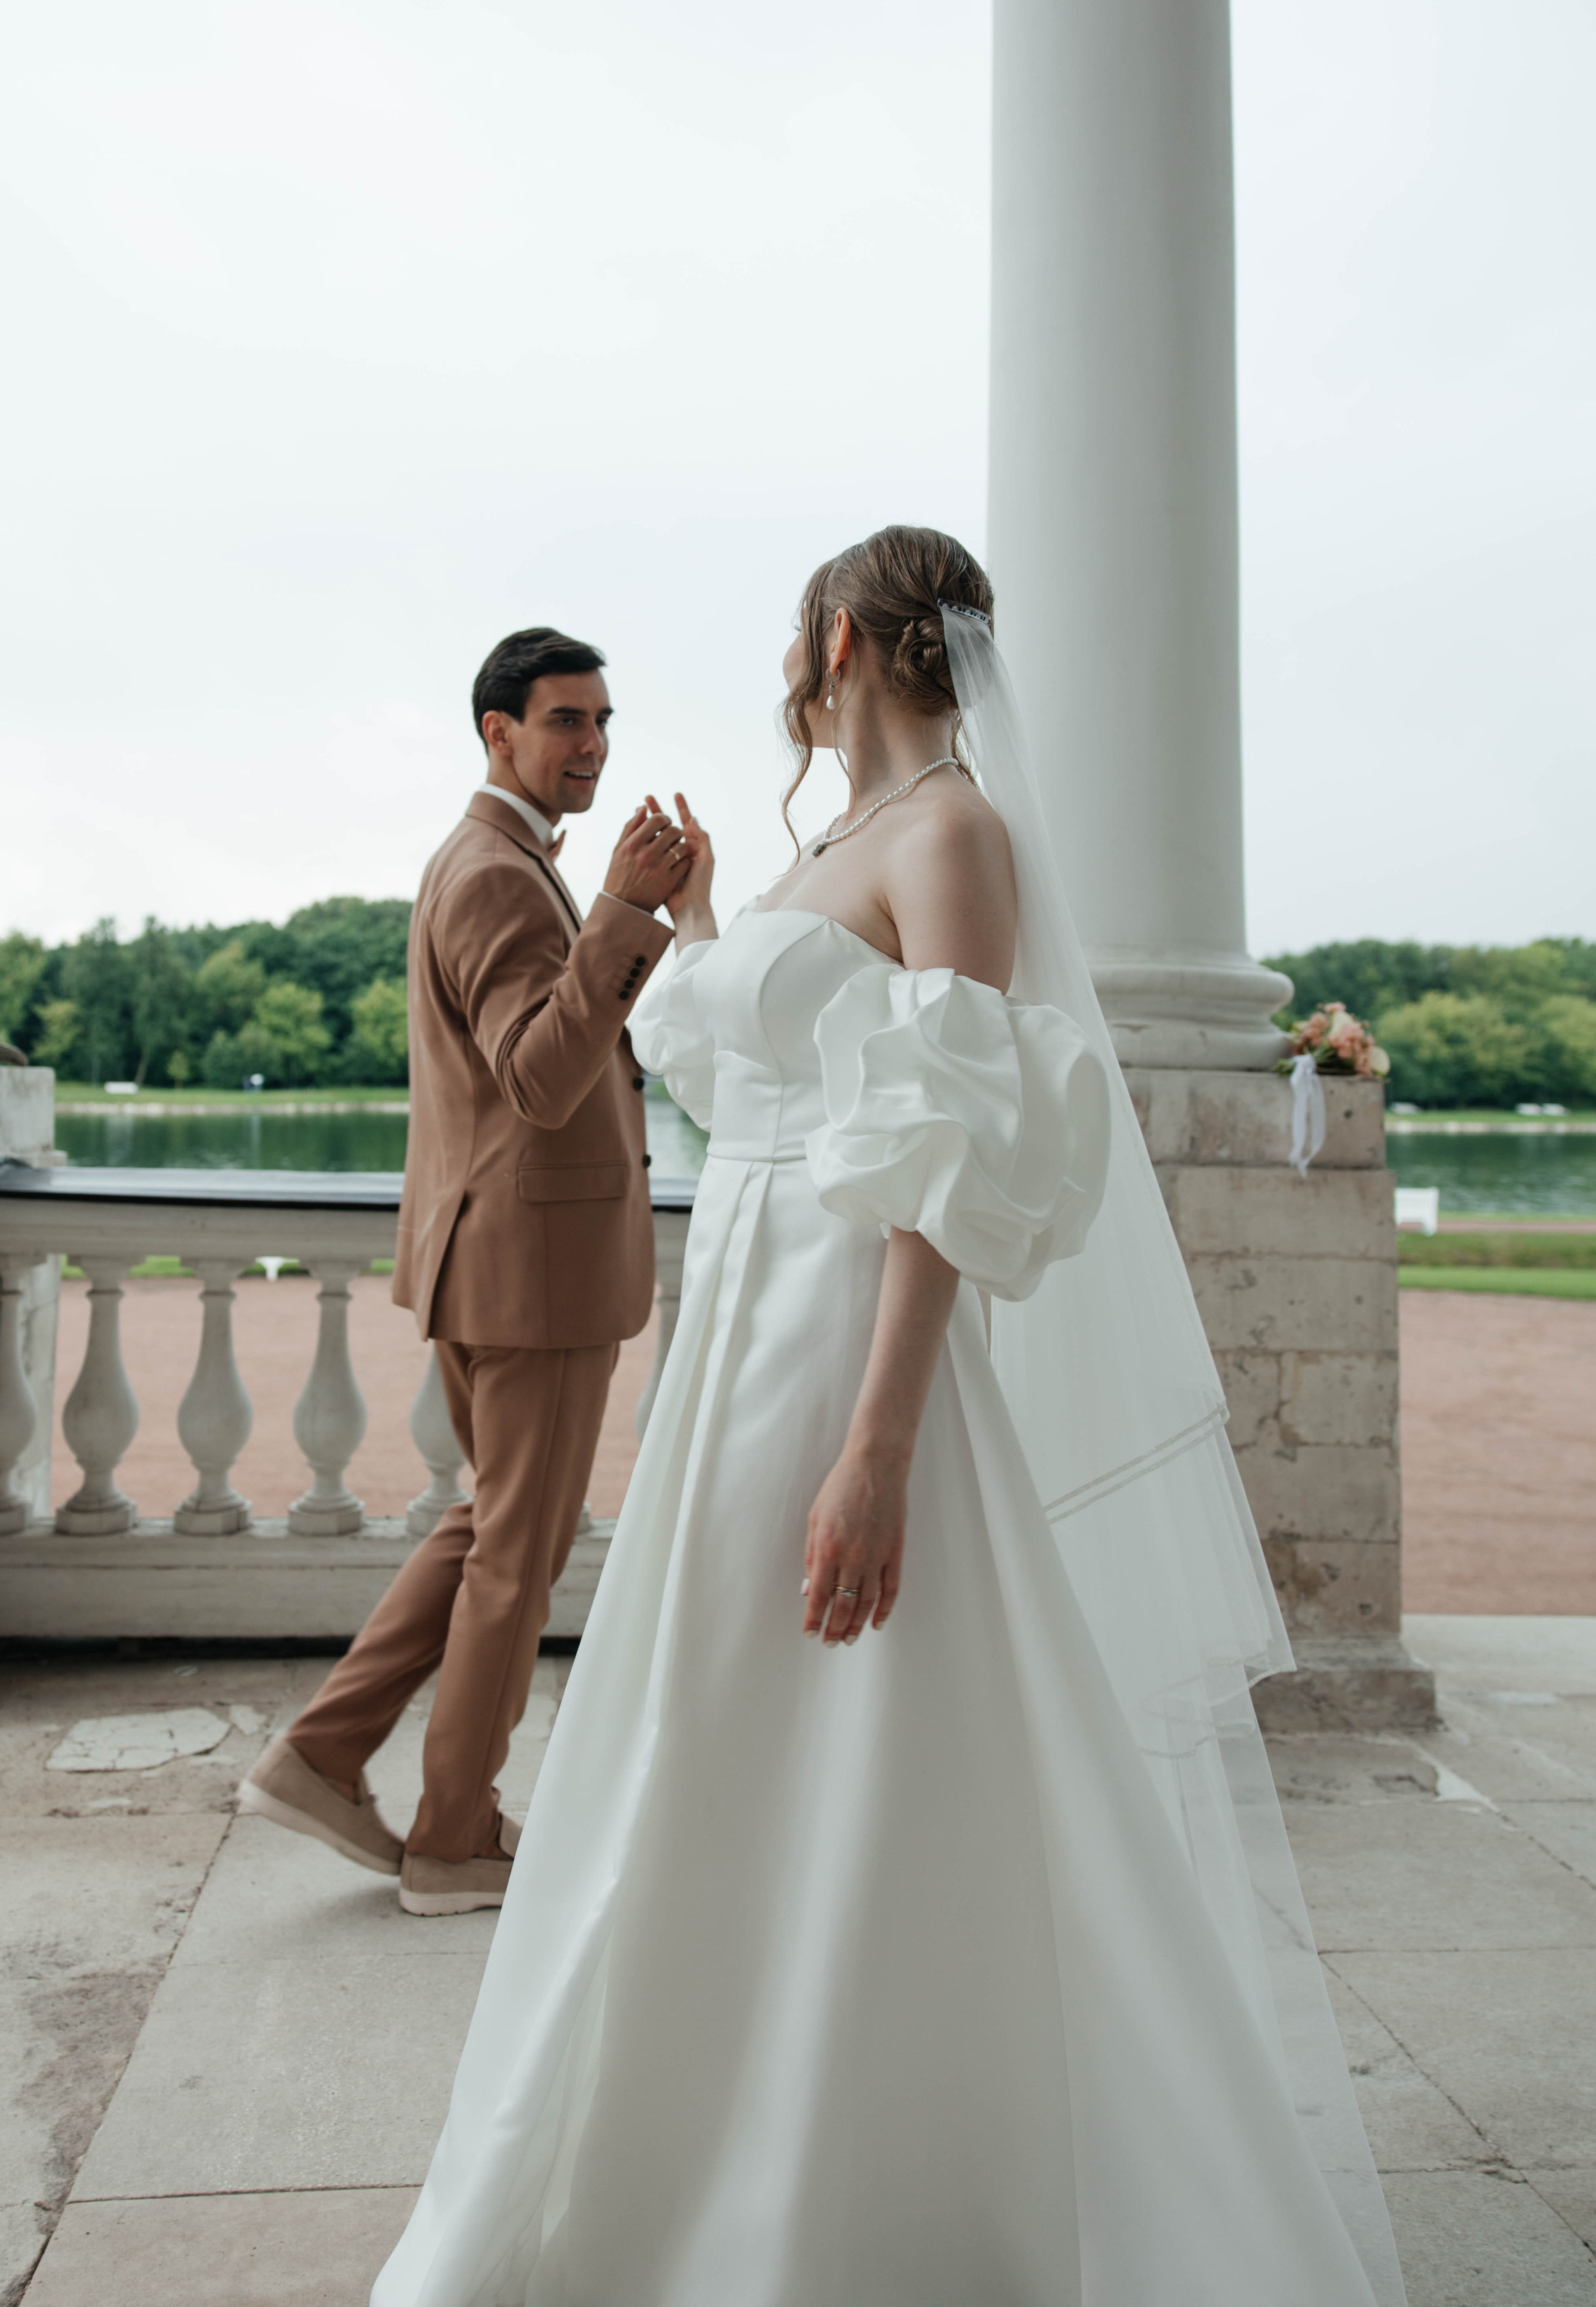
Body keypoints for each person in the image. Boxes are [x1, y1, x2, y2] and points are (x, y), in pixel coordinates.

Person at [368, 529, 1408, 2306]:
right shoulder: (826, 846)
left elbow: (943, 1160)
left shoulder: (954, 837)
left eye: (800, 634)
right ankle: (677, 2141)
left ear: (843, 639)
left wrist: (880, 1442)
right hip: (740, 1337)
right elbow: (751, 1073)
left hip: (846, 1340)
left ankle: (866, 2170)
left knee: (859, 1722)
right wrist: (695, 927)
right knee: (702, 1726)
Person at [240, 626, 693, 1917]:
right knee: (517, 1558)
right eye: (565, 721)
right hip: (531, 1273)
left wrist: (616, 923)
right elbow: (541, 1079)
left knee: (487, 1530)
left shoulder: (500, 863)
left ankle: (323, 1757)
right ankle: (452, 1836)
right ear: (497, 731)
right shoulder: (496, 874)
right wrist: (628, 910)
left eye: (603, 720)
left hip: (492, 1258)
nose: (593, 744)